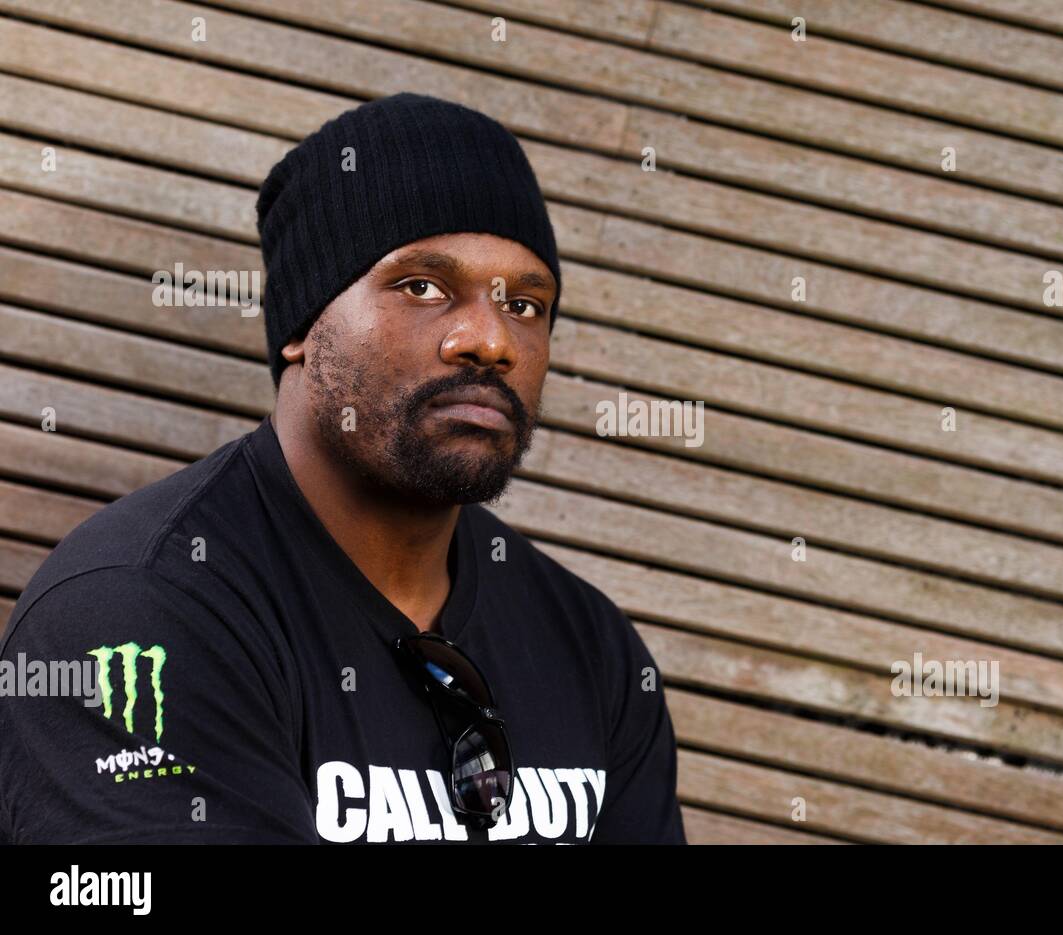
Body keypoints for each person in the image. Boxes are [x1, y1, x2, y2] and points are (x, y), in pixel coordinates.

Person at [0, 93, 688, 844]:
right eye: (423, 285)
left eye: (526, 303)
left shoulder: (591, 649)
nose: (491, 340)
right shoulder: (134, 615)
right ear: (302, 325)